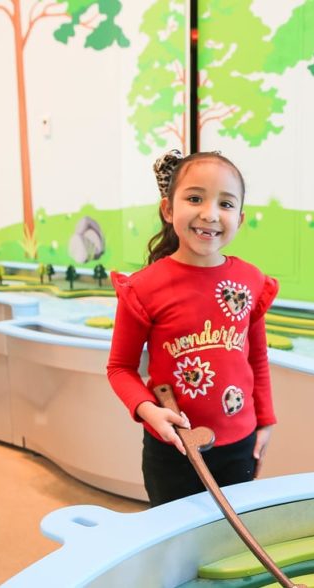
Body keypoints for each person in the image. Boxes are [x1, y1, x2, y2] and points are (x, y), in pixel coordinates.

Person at [107, 150, 279, 507]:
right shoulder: (142, 288)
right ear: (168, 210)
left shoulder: (250, 281)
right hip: (172, 450)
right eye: (195, 198)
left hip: (239, 445)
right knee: (176, 544)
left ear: (240, 218)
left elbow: (257, 359)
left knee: (228, 542)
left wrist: (265, 421)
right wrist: (148, 410)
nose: (210, 214)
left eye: (226, 203)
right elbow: (120, 369)